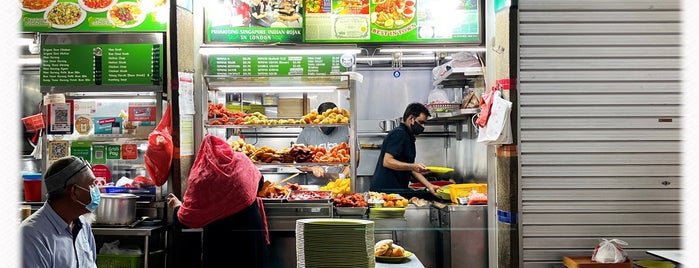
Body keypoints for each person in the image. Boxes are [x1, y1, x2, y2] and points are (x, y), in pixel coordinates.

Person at [167, 135, 268, 268]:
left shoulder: (203, 177)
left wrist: (177, 207)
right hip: (250, 234)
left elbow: (188, 218)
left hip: (222, 243)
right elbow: (259, 183)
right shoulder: (242, 161)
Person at [21, 156, 100, 268]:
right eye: (92, 184)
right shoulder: (32, 236)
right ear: (74, 192)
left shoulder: (82, 224)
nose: (96, 189)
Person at [370, 103, 440, 195]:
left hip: (395, 190)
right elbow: (387, 162)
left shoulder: (408, 136)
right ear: (411, 119)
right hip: (385, 191)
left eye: (424, 123)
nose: (423, 127)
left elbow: (410, 168)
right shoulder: (399, 134)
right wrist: (413, 166)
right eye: (421, 122)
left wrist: (429, 185)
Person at [296, 102, 352, 184]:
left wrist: (342, 176)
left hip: (341, 185)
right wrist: (312, 168)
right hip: (314, 186)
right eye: (324, 123)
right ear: (319, 119)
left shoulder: (347, 129)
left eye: (332, 124)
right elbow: (298, 161)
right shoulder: (307, 131)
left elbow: (355, 160)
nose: (328, 127)